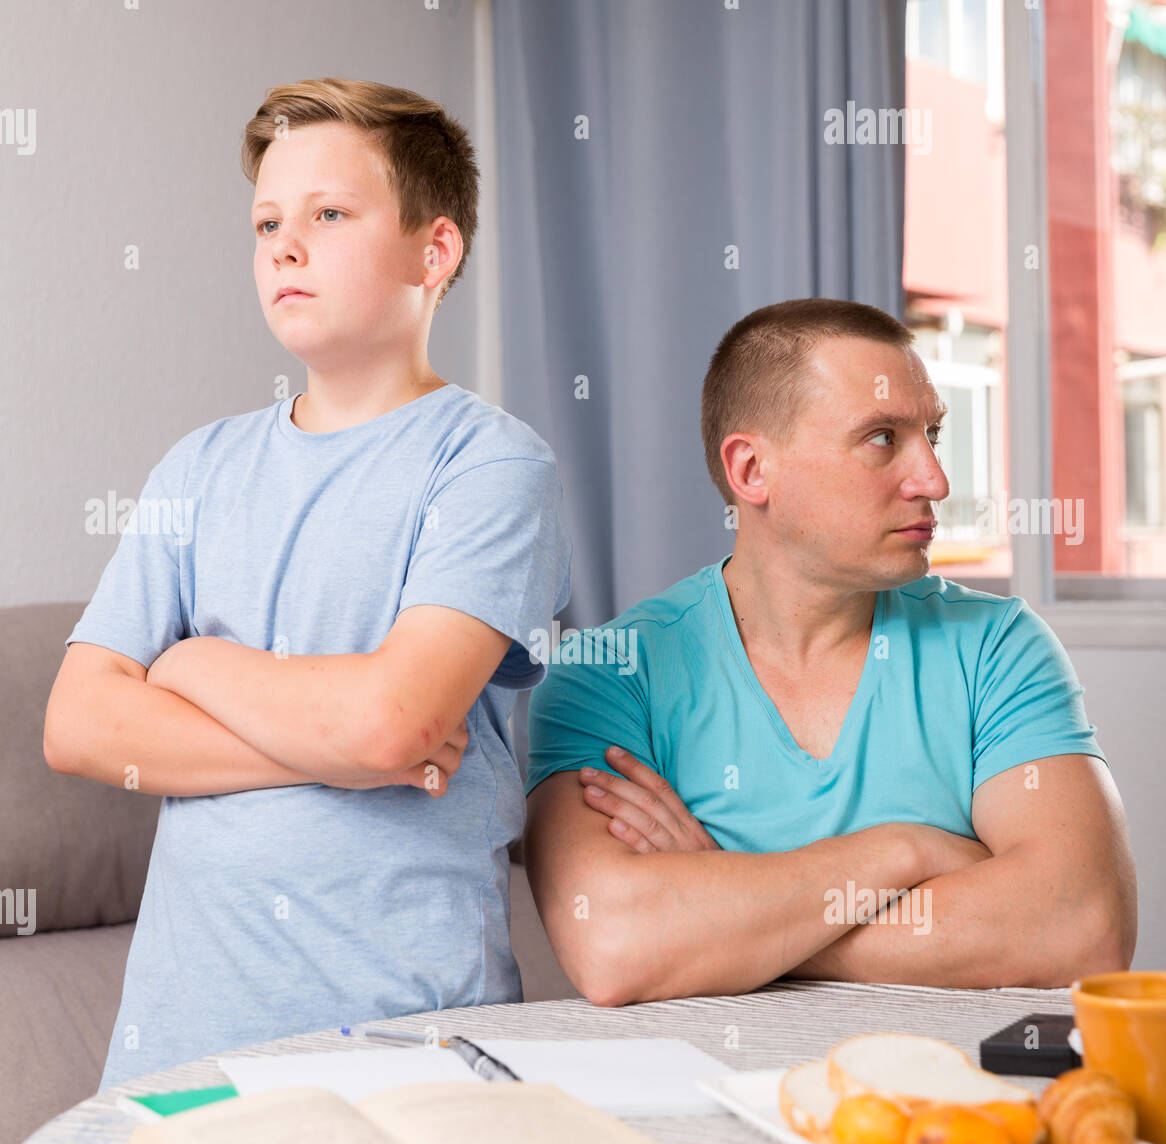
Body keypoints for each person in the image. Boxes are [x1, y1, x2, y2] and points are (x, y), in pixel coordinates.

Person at [44, 79, 571, 1088]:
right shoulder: (195, 468)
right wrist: (336, 748)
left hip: (400, 1049)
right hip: (175, 1059)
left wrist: (193, 662)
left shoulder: (491, 466)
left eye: (329, 215)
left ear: (435, 250)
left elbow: (389, 727)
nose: (285, 245)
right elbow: (77, 724)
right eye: (267, 223)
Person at [522, 299, 1135, 1003]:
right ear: (752, 470)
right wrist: (910, 850)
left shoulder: (998, 646)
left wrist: (736, 918)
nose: (934, 479)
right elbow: (613, 943)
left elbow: (1082, 924)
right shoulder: (607, 673)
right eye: (882, 438)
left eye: (931, 433)